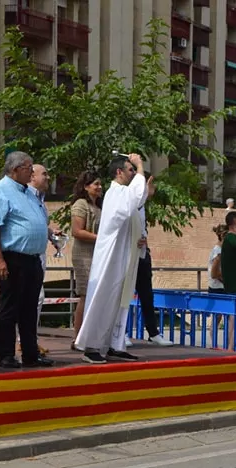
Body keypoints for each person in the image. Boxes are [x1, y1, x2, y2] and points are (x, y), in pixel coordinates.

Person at [74, 153, 148, 364]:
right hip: (111, 255)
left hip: (123, 253)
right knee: (103, 297)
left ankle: (113, 343)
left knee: (119, 300)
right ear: (119, 172)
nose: (133, 173)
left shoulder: (124, 193)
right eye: (130, 169)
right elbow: (133, 202)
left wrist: (139, 238)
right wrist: (141, 165)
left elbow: (136, 206)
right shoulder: (116, 192)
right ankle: (91, 346)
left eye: (134, 170)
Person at [0, 151, 53, 369]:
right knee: (9, 306)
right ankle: (5, 354)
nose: (32, 173)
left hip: (32, 258)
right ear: (15, 170)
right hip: (11, 257)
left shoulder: (28, 193)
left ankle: (31, 353)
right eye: (28, 168)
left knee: (30, 308)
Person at [134, 174, 174, 347]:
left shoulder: (142, 207)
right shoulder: (129, 201)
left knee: (147, 295)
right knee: (124, 295)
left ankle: (153, 332)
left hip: (142, 253)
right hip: (129, 254)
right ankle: (119, 334)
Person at [69, 171, 103, 343]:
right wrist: (102, 238)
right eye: (96, 184)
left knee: (95, 295)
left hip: (98, 255)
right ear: (85, 186)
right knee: (85, 294)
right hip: (84, 255)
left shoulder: (99, 206)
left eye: (100, 184)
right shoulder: (81, 205)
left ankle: (91, 335)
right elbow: (77, 231)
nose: (99, 187)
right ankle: (79, 337)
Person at [26, 164, 53, 357]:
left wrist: (51, 233)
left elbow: (39, 223)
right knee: (34, 298)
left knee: (37, 299)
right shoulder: (27, 196)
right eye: (44, 174)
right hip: (29, 254)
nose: (48, 177)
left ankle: (29, 340)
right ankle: (26, 341)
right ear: (32, 177)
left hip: (40, 252)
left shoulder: (40, 199)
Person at [207, 223, 227, 294]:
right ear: (222, 236)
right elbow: (214, 274)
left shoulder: (219, 250)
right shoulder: (218, 252)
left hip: (218, 289)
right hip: (218, 290)